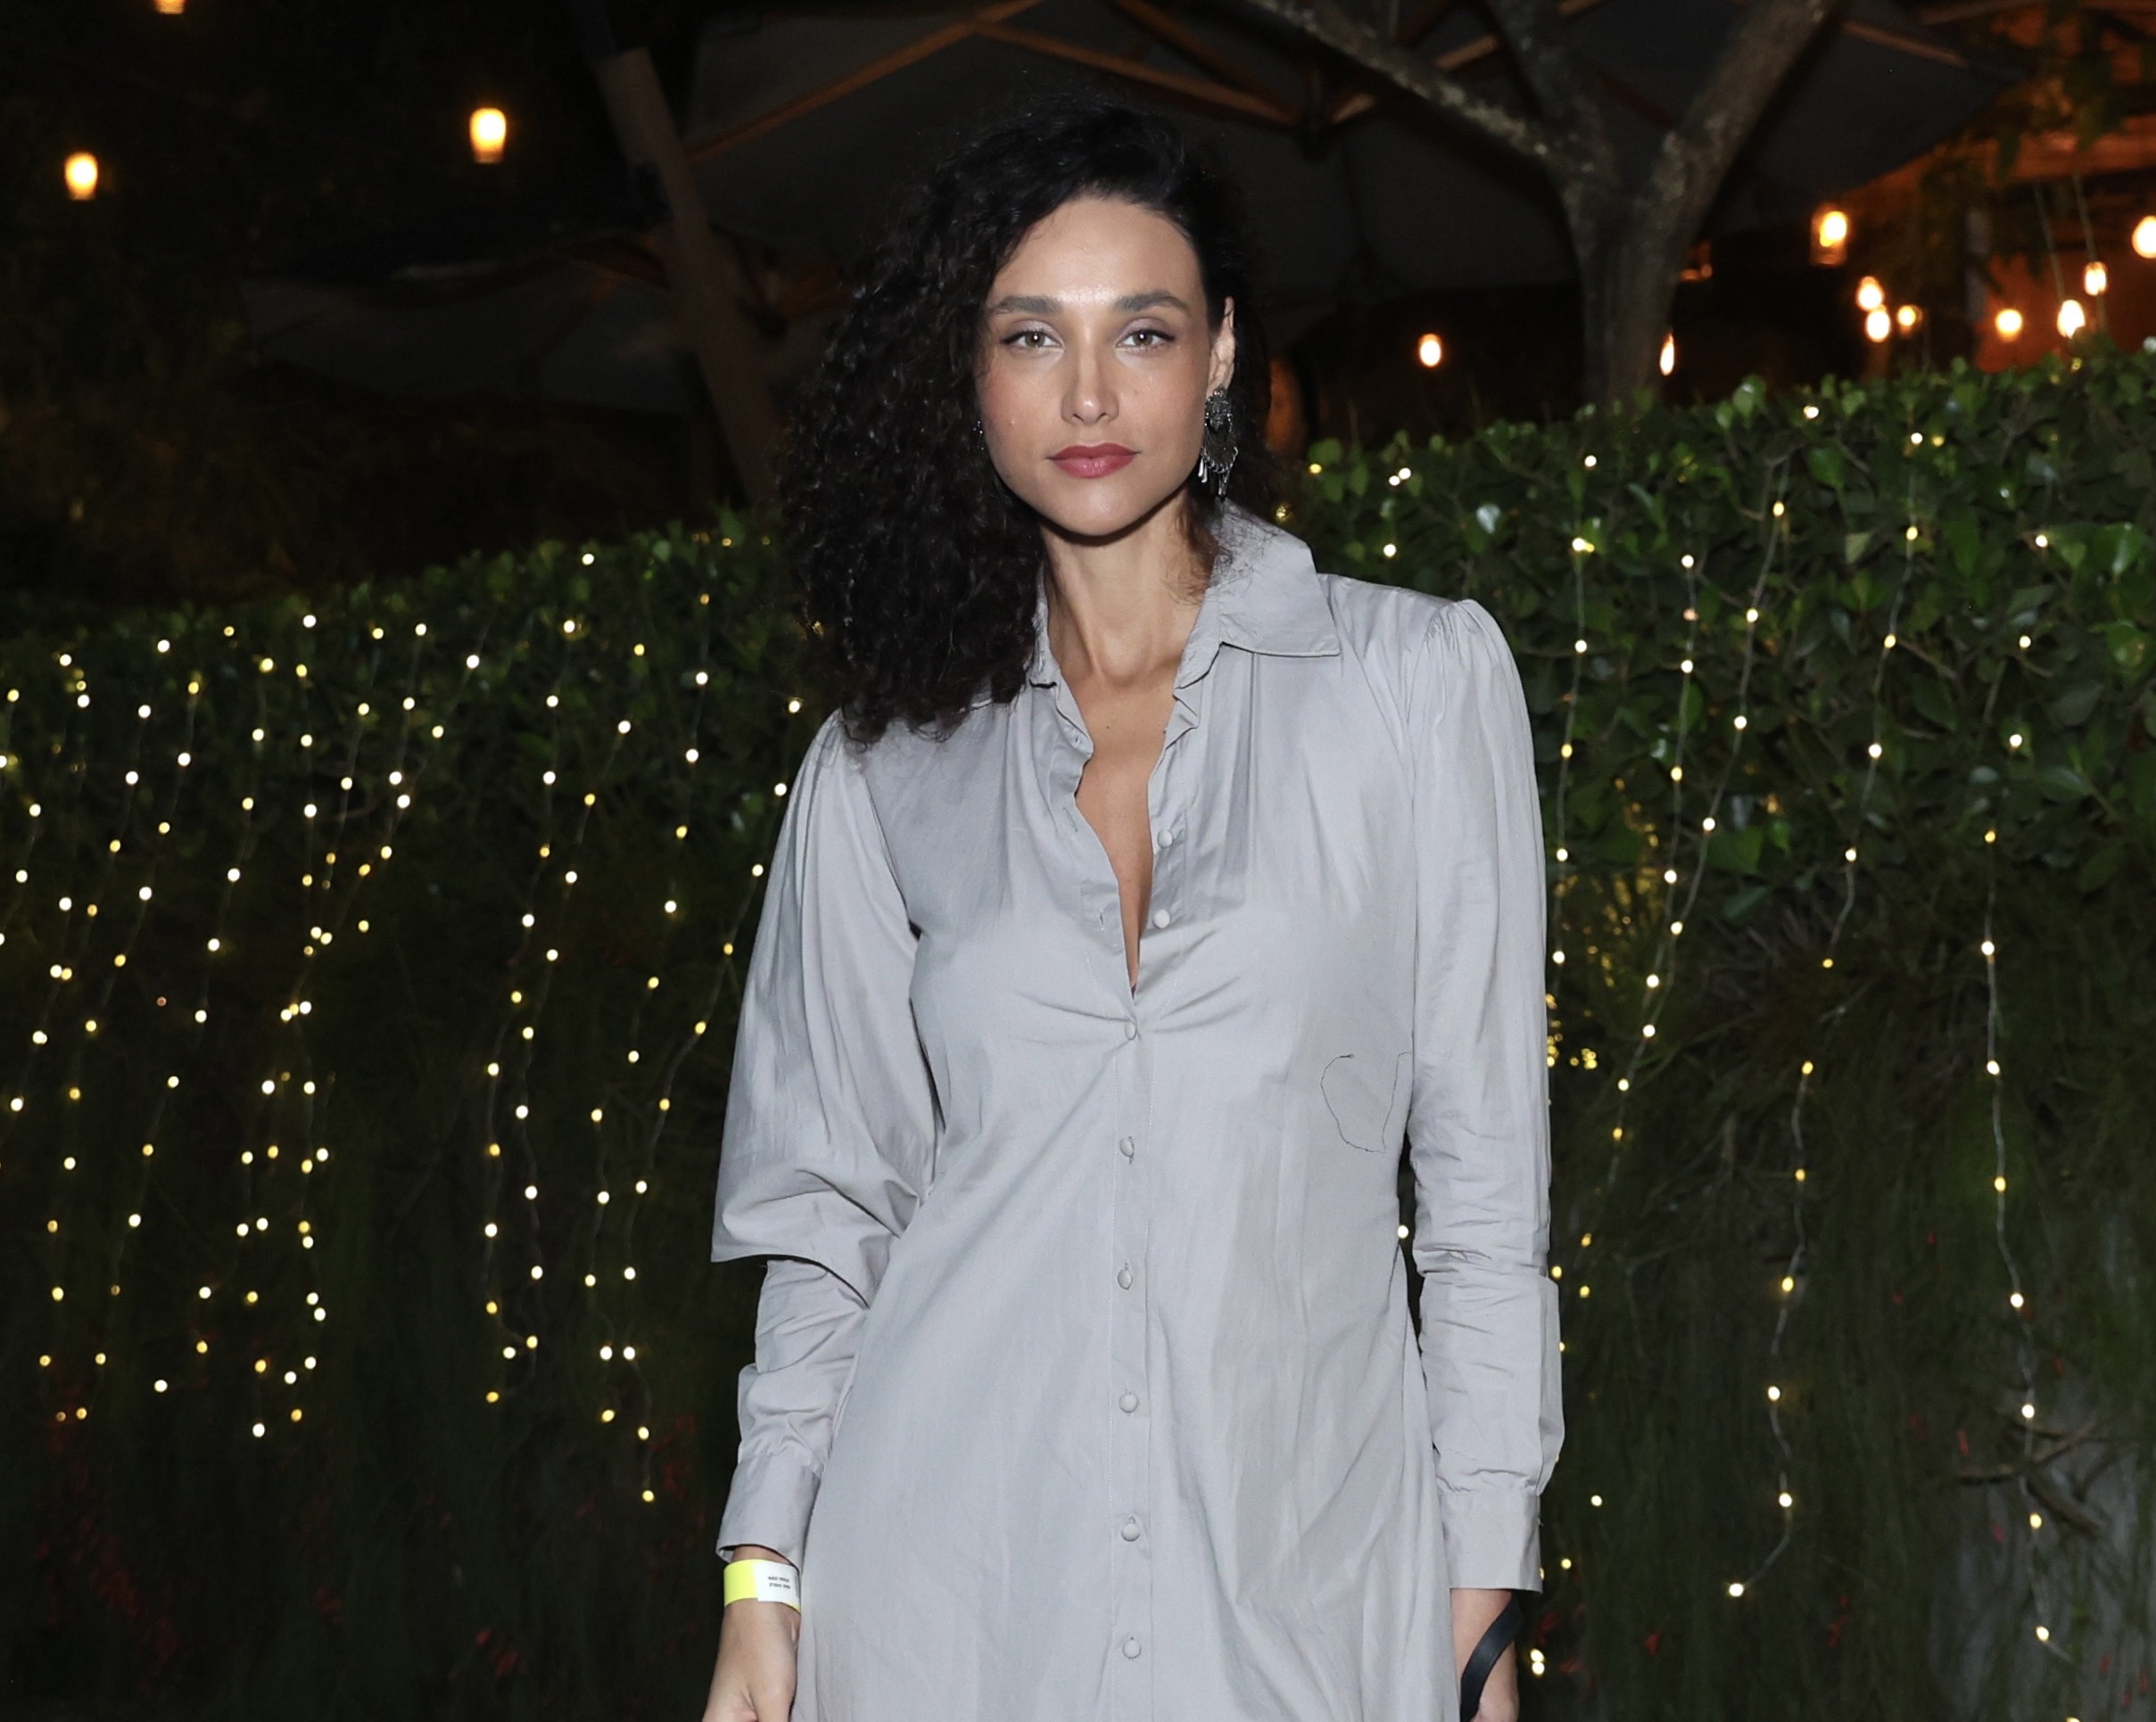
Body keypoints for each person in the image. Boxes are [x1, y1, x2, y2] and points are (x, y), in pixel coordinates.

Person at [701, 91, 1563, 1722]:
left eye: (1142, 332)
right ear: (969, 373)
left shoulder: (1412, 684)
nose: (1088, 394)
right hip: (946, 1598)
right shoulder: (882, 766)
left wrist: (1478, 1607)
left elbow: (1480, 1207)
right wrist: (764, 1585)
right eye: (1031, 335)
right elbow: (828, 1225)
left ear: (1220, 351)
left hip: (1302, 1592)